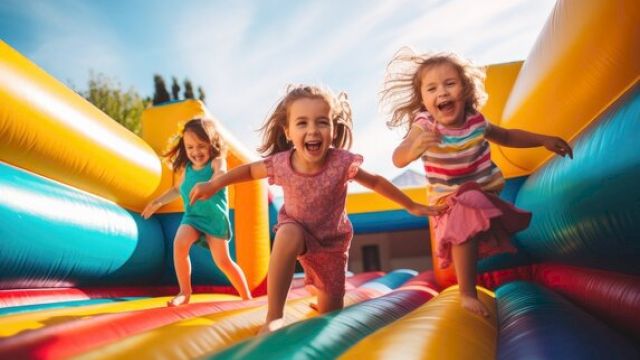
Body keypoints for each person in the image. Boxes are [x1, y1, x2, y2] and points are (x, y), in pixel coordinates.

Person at [189, 85, 445, 333]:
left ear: (333, 129)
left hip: (331, 246)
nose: (313, 130)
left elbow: (376, 181)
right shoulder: (281, 163)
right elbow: (248, 171)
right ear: (287, 131)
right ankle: (274, 316)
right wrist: (215, 183)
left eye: (322, 122)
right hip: (297, 232)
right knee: (287, 232)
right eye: (302, 123)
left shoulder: (341, 162)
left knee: (330, 313)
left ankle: (323, 295)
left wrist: (410, 204)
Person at [382, 48, 573, 317]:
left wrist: (542, 139)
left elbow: (507, 136)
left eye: (450, 84)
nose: (442, 93)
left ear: (466, 89)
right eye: (432, 88)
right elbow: (398, 157)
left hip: (483, 193)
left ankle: (482, 261)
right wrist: (413, 149)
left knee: (472, 203)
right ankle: (467, 294)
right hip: (448, 201)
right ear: (423, 100)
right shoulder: (425, 124)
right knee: (464, 210)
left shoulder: (476, 121)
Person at [142, 118, 252, 306]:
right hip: (192, 217)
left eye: (201, 146)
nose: (195, 152)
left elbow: (221, 174)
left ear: (211, 144)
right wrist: (157, 201)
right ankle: (185, 292)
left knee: (223, 262)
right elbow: (178, 189)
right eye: (190, 147)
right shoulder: (187, 169)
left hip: (214, 218)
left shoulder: (216, 162)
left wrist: (211, 183)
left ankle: (247, 297)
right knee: (179, 244)